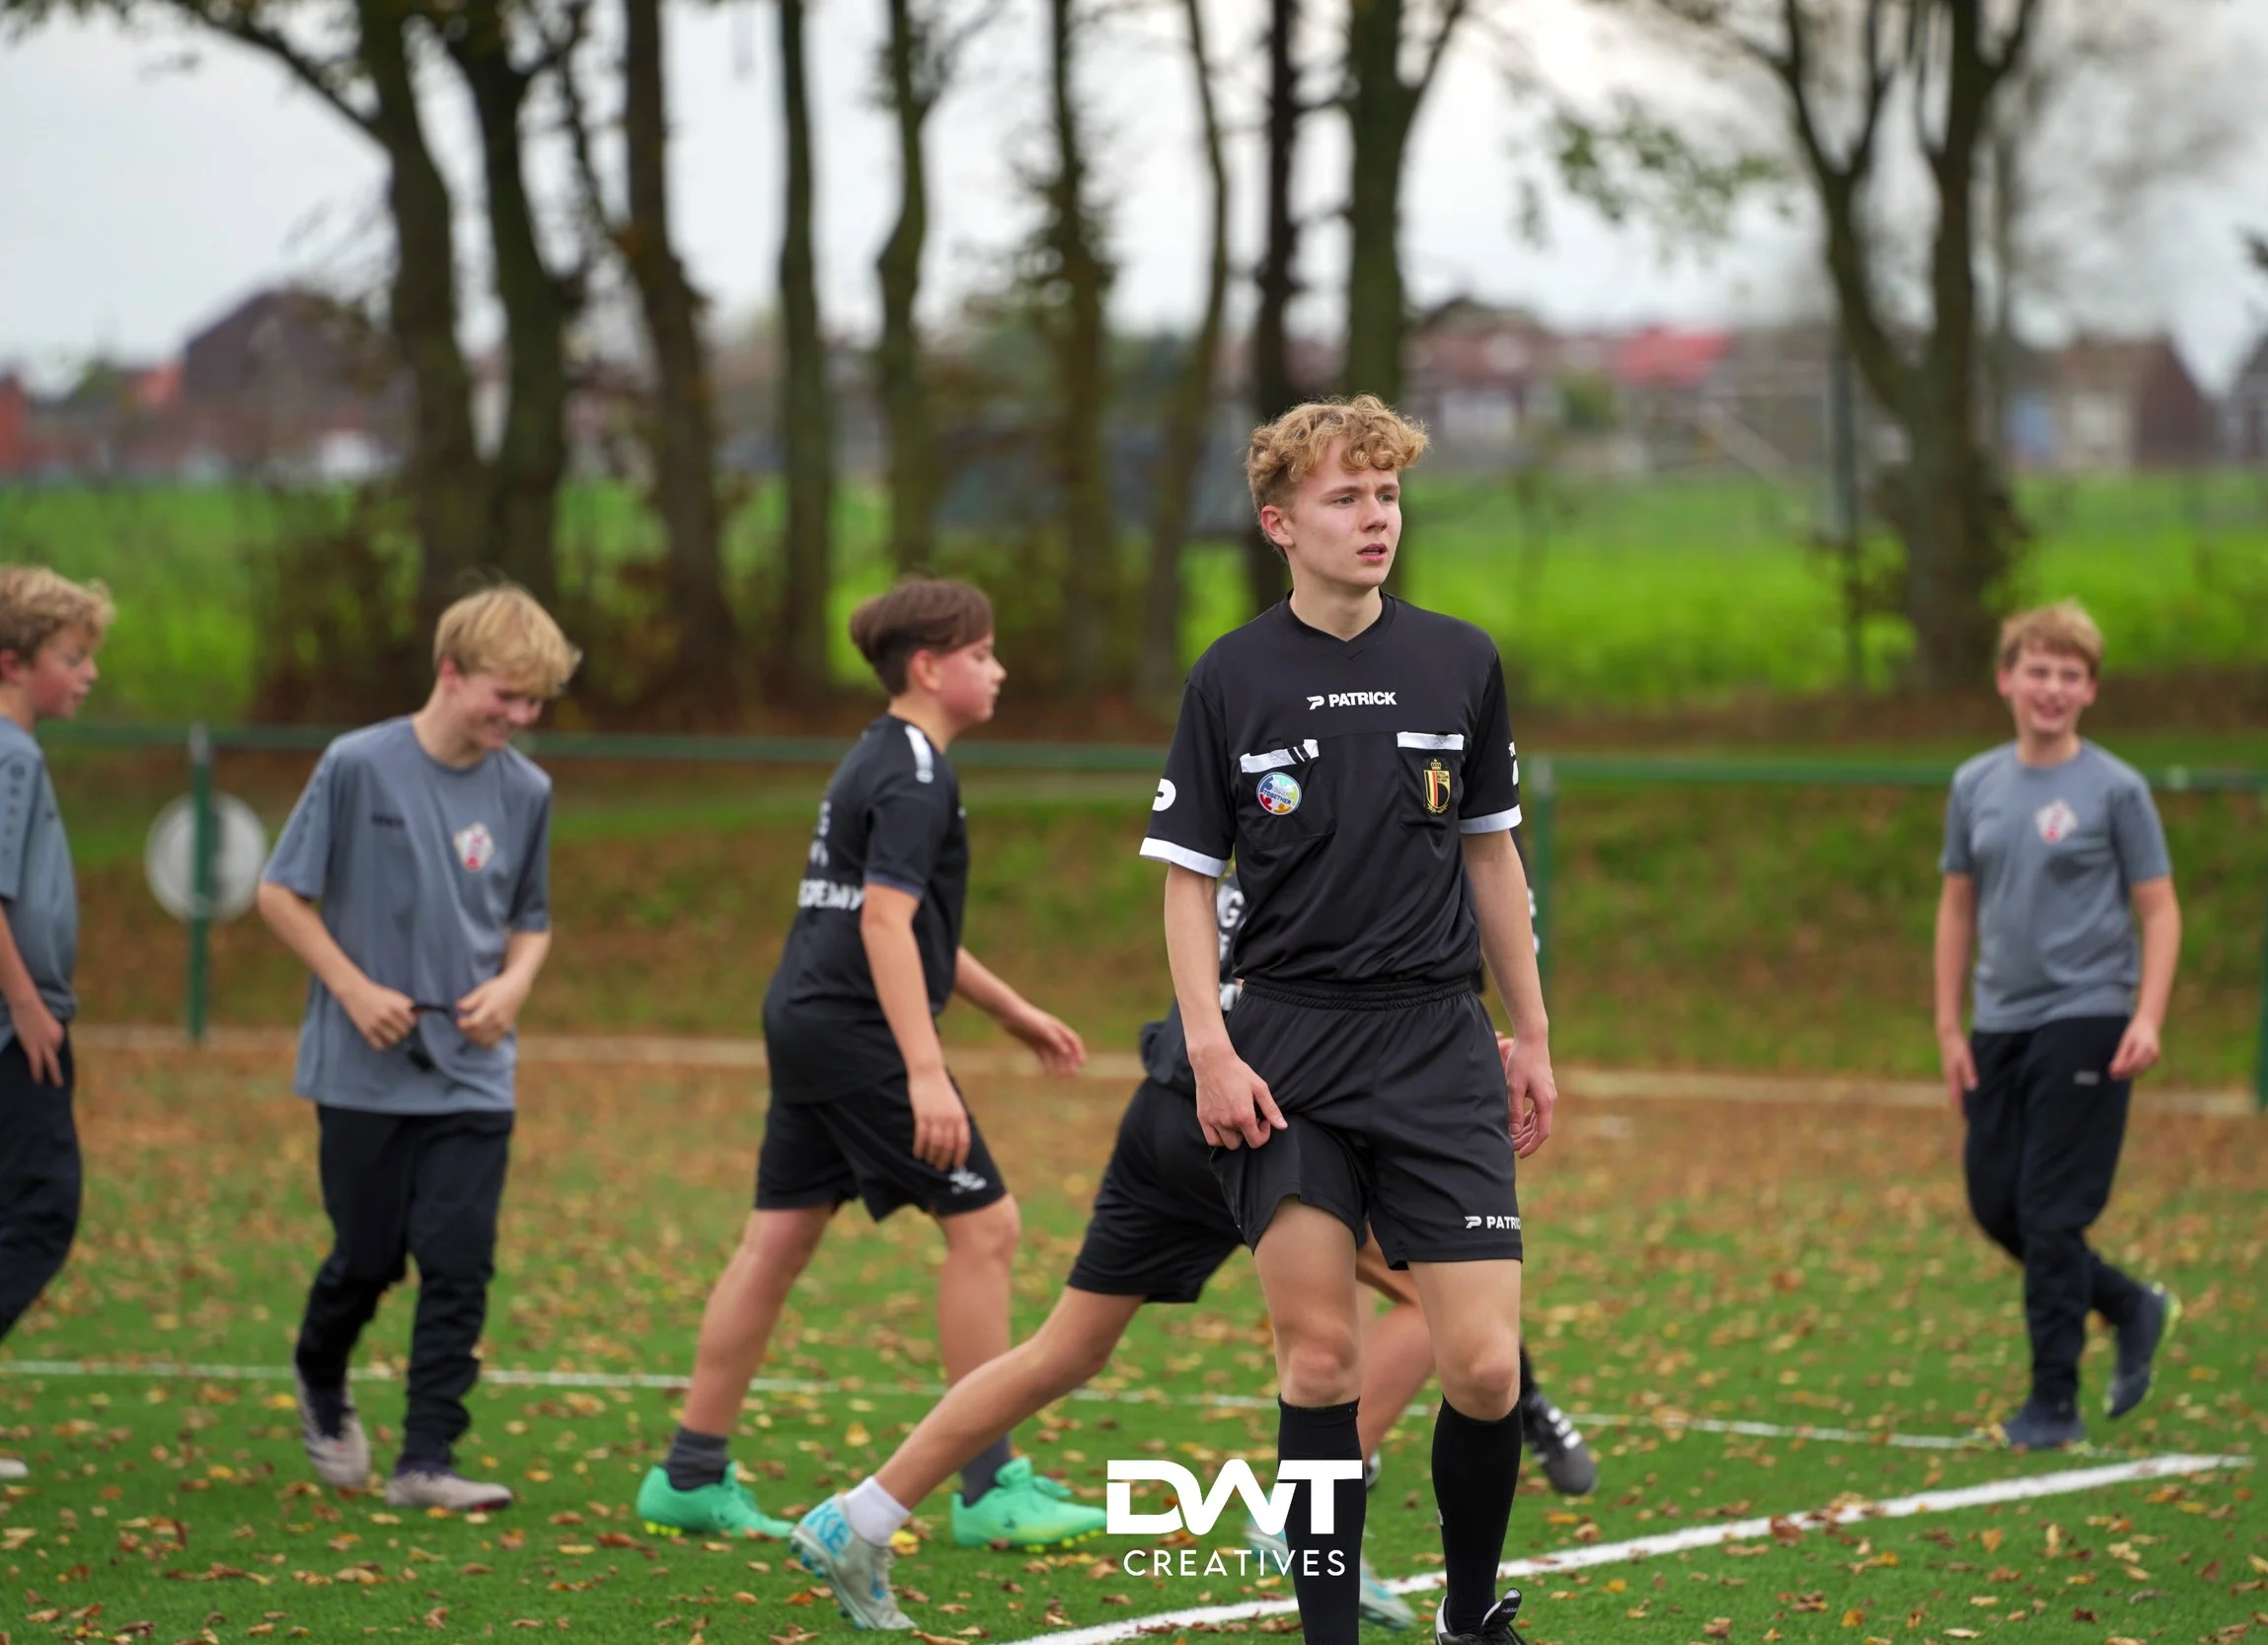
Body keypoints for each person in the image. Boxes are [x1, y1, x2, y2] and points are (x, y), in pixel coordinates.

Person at [791, 875, 1596, 1631]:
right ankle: (1298, 1518)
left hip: (1174, 1104)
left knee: (1066, 1347)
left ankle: (861, 1514)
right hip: (1263, 1114)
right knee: (1432, 1294)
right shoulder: (1426, 816)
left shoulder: (1304, 784)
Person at [1137, 395, 1554, 1645]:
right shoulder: (1232, 676)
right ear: (1281, 524)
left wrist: (1530, 1032)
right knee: (1318, 1361)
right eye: (1344, 498)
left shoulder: (1459, 660)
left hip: (1435, 1041)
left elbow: (1494, 861)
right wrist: (1208, 1047)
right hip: (1288, 1054)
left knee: (1482, 1364)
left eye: (1385, 496)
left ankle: (1468, 1609)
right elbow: (1184, 876)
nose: (1375, 518)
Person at [636, 578, 1089, 1545]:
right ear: (930, 667)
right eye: (982, 653)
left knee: (777, 1241)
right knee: (987, 1226)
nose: (998, 668)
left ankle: (688, 1473)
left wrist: (1009, 1010)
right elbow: (884, 920)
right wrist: (924, 1070)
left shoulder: (883, 758)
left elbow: (897, 915)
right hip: (854, 1032)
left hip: (808, 1019)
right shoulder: (914, 774)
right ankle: (987, 1484)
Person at [259, 584, 580, 1510]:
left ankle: (426, 1459)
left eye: (533, 704)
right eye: (505, 696)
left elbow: (531, 920)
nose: (518, 719)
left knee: (458, 1255)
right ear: (450, 671)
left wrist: (512, 987)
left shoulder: (527, 790)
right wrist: (353, 989)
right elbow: (281, 893)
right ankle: (321, 1371)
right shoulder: (357, 764)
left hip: (475, 1071)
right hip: (361, 1068)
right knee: (367, 1257)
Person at [1932, 601, 2182, 1453]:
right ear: (2007, 679)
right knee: (1996, 1201)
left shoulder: (2116, 789)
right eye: (2038, 670)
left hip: (2090, 1013)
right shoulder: (1975, 784)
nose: (2052, 687)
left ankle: (2052, 1402)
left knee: (2048, 1209)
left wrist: (2147, 1014)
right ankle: (2126, 1302)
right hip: (1998, 1023)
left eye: (2070, 674)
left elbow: (2161, 910)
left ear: (2091, 690)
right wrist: (1948, 1025)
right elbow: (1957, 905)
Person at [0, 567, 111, 1484]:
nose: (88, 674)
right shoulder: (10, 754)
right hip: (15, 1026)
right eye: (71, 658)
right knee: (42, 1209)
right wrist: (30, 1006)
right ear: (12, 663)